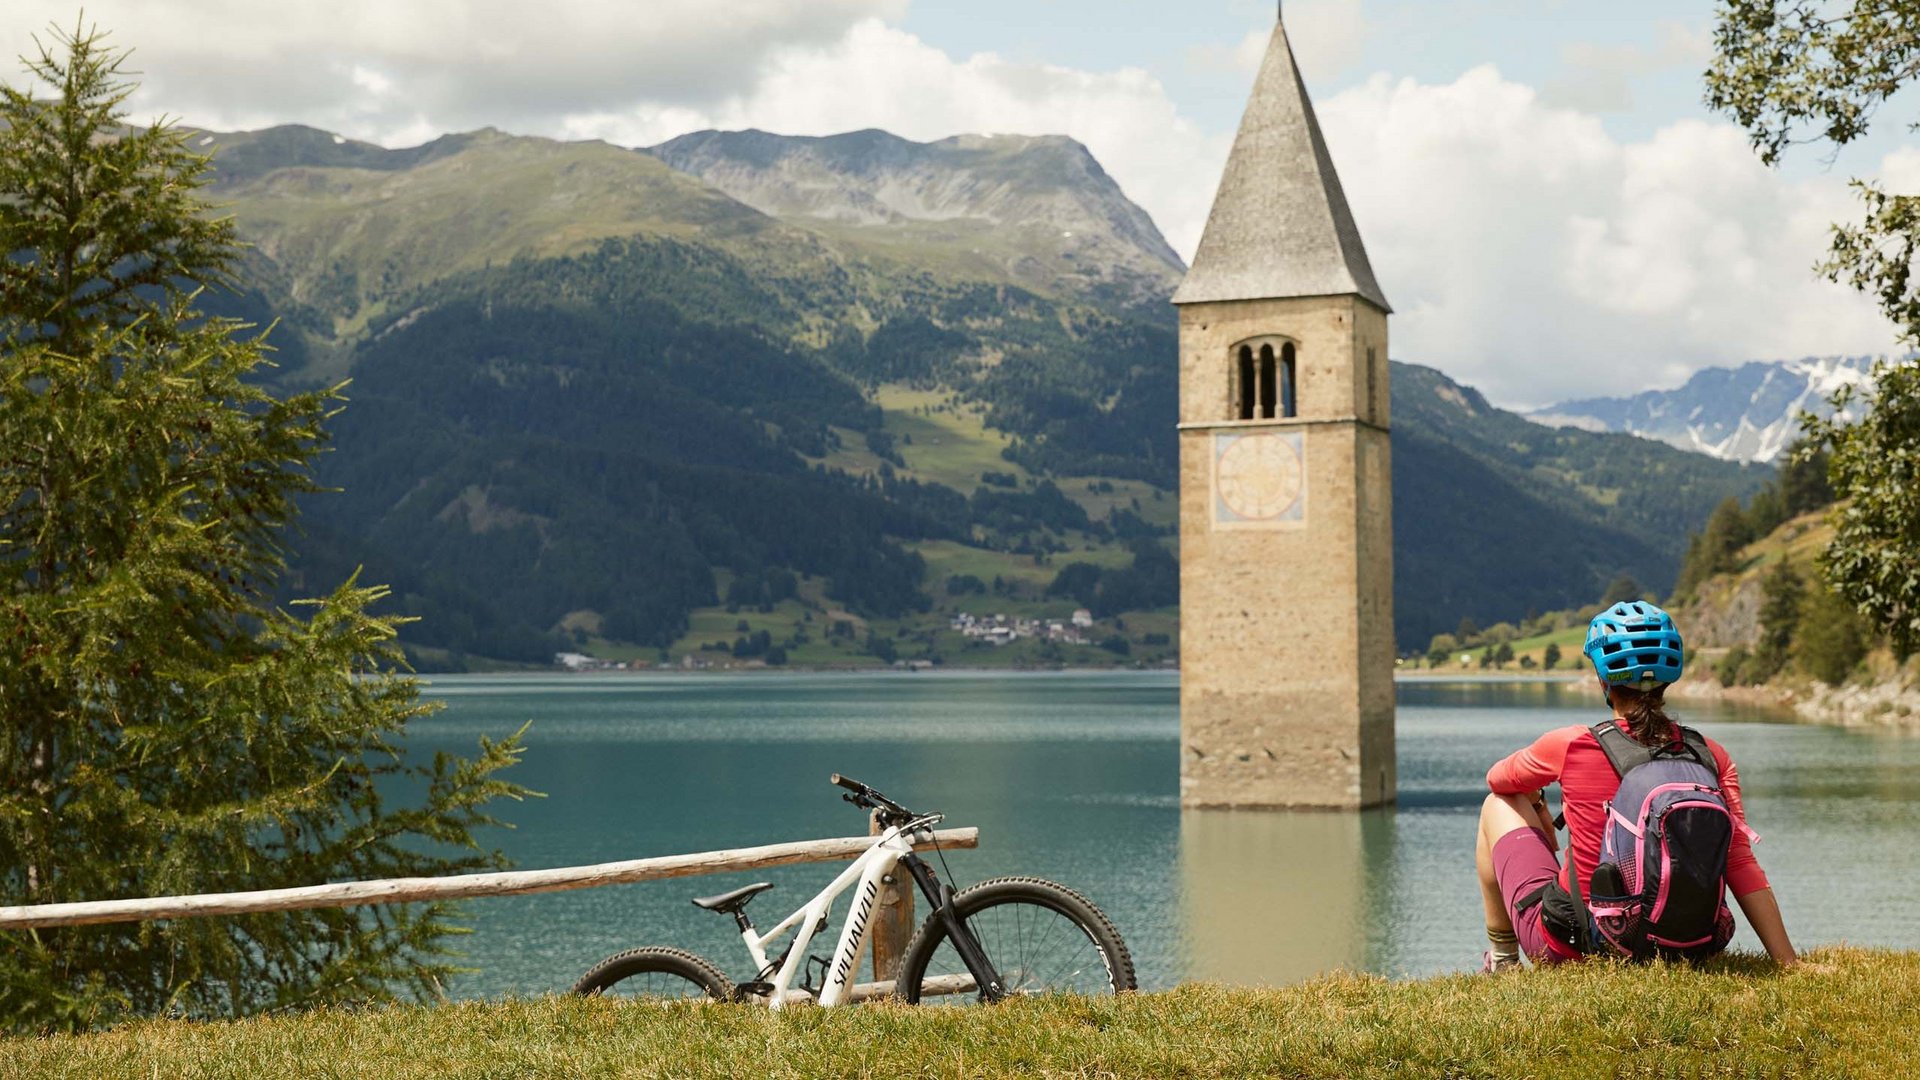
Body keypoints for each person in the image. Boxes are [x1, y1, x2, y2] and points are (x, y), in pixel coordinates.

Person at [1474, 601, 1797, 971]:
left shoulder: (1571, 745)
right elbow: (1738, 860)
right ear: (1668, 680)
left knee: (1496, 804)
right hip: (1687, 947)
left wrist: (1536, 797)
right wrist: (1787, 961)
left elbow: (1498, 779)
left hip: (1578, 945)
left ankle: (1502, 961)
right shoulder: (1711, 756)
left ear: (1602, 679)